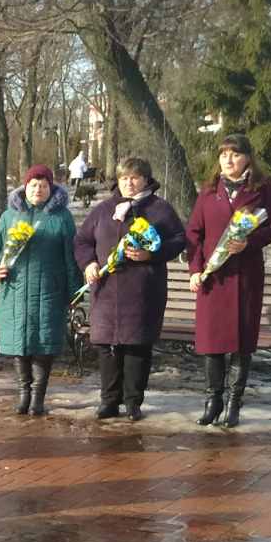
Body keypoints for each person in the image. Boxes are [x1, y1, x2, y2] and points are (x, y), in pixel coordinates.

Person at [74, 155, 187, 420]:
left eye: (134, 178)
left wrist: (152, 254)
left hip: (143, 291)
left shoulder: (160, 209)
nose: (129, 183)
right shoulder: (103, 210)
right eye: (124, 178)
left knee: (137, 346)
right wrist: (89, 263)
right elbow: (82, 241)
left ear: (146, 180)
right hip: (106, 292)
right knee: (107, 347)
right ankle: (109, 400)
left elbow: (179, 239)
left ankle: (133, 402)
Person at [186, 132, 271, 429]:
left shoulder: (263, 189)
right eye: (223, 154)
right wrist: (195, 269)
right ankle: (212, 401)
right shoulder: (209, 190)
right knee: (212, 341)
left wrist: (249, 242)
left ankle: (233, 403)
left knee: (242, 342)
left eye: (235, 154)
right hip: (214, 278)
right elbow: (194, 233)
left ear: (248, 158)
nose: (228, 160)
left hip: (245, 277)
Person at [0, 164, 80, 417]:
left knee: (42, 344)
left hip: (49, 291)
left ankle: (38, 396)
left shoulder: (61, 218)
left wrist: (75, 292)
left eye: (43, 185)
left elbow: (72, 257)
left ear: (51, 188)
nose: (38, 189)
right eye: (33, 185)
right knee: (19, 344)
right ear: (25, 187)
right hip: (14, 292)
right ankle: (23, 393)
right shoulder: (10, 216)